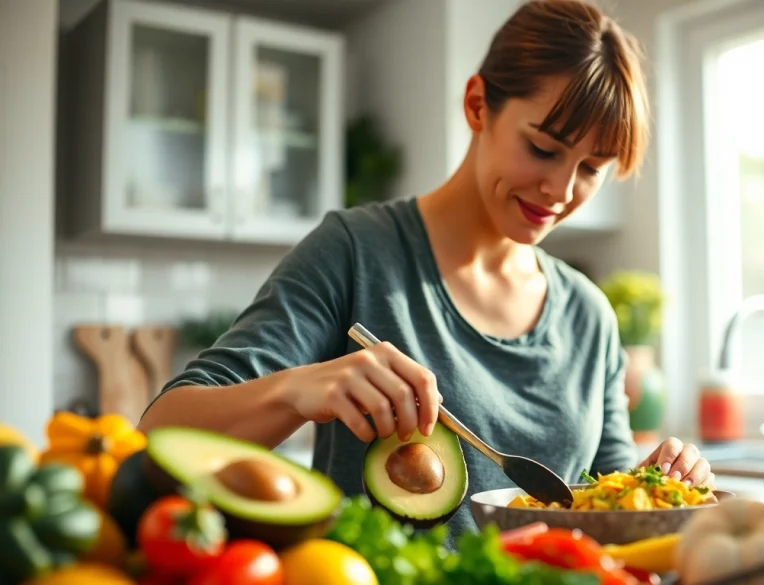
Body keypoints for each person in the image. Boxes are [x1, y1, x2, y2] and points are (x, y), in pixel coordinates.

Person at [137, 0, 713, 546]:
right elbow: (160, 433)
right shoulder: (355, 252)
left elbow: (605, 509)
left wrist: (661, 484)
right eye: (542, 149)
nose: (560, 192)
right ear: (477, 105)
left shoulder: (589, 315)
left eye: (591, 168)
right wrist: (296, 390)